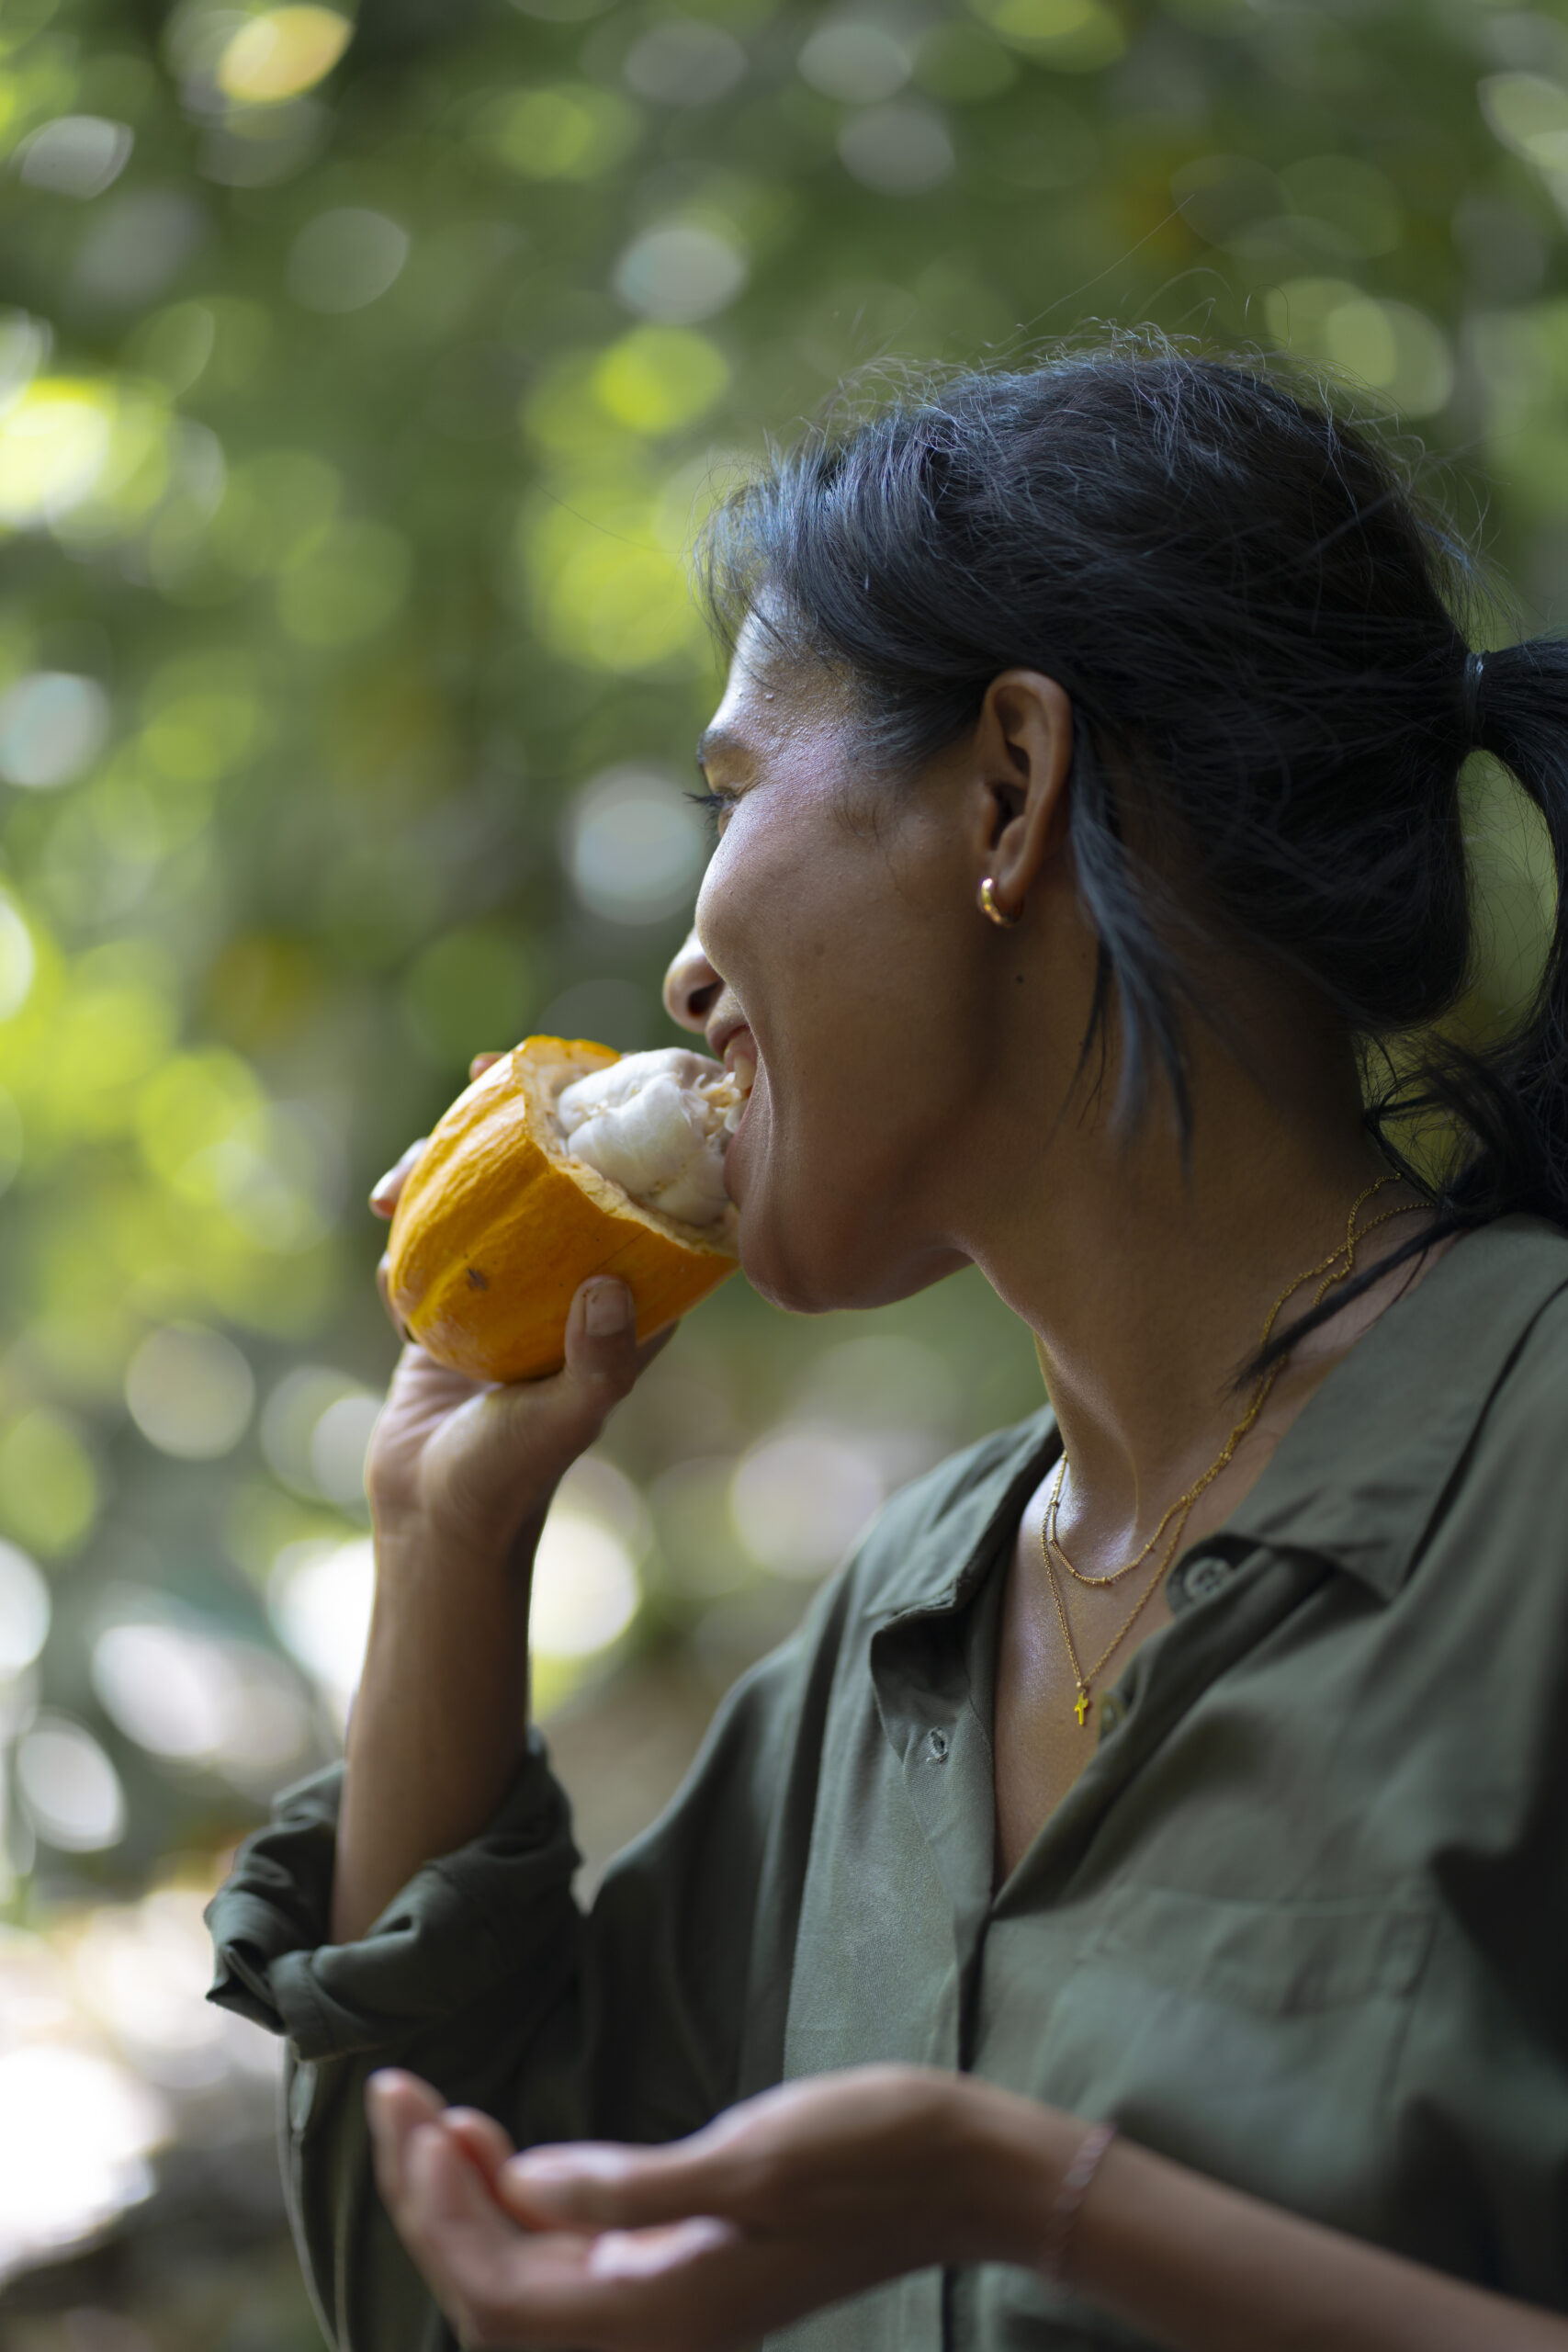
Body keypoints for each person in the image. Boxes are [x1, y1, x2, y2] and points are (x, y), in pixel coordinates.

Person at [207, 343, 1568, 2352]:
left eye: (734, 791)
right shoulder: (897, 1633)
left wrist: (1034, 2195)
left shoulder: (1526, 1473)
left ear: (1008, 788)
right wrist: (442, 1535)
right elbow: (453, 2282)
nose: (683, 961)